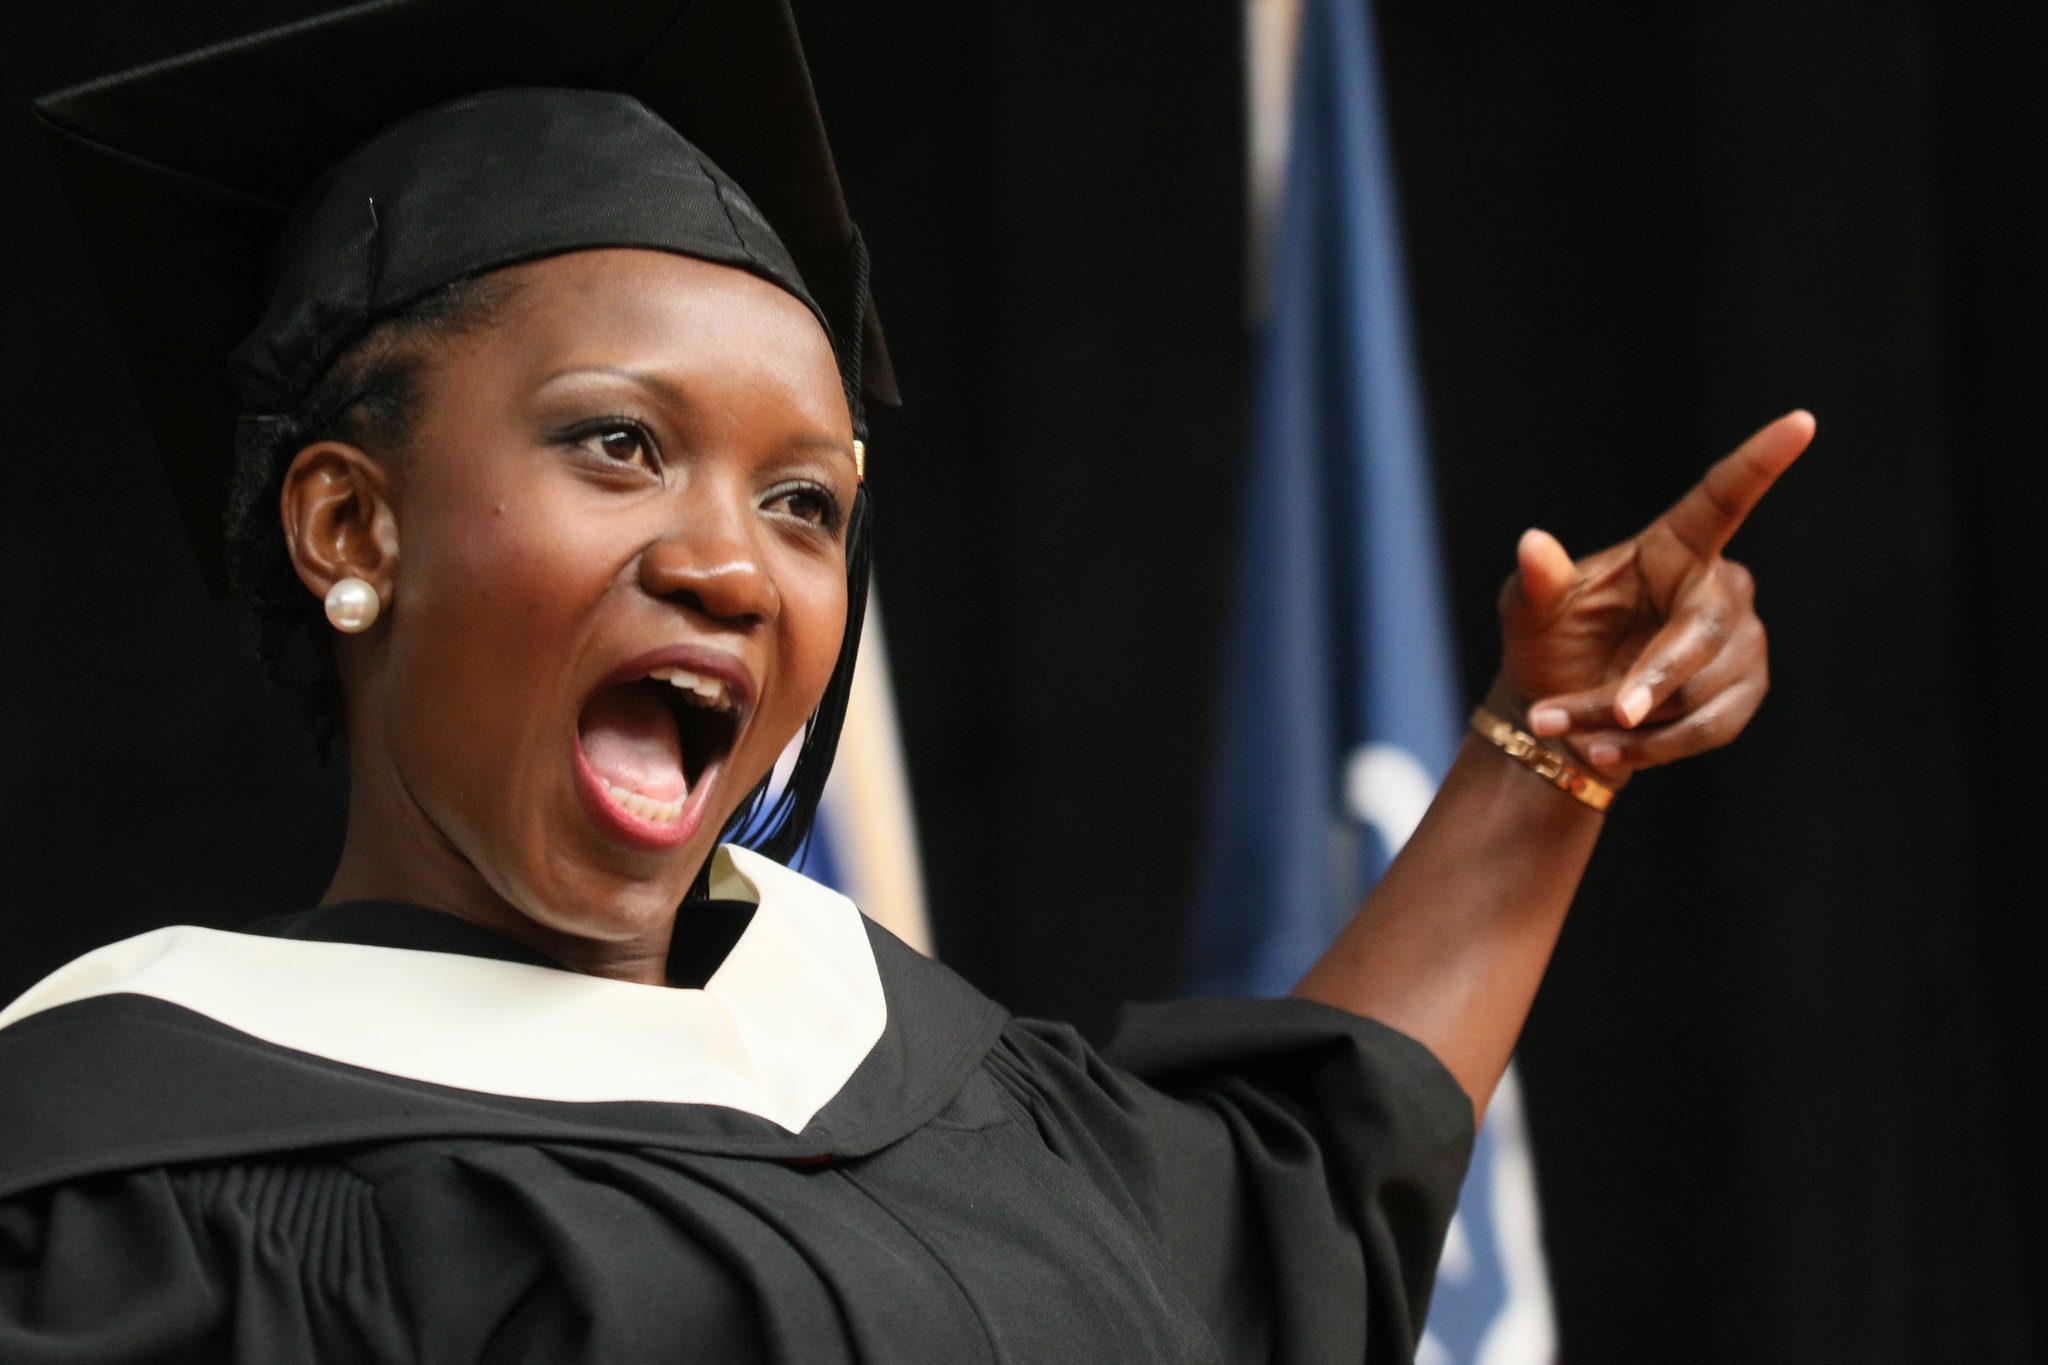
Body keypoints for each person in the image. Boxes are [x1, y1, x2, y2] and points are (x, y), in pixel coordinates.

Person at [0, 0, 1807, 1359]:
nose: (730, 559)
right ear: (345, 524)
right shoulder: (123, 1198)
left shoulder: (938, 1085)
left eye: (803, 500)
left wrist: (1536, 754)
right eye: (620, 446)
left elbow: (1288, 1213)